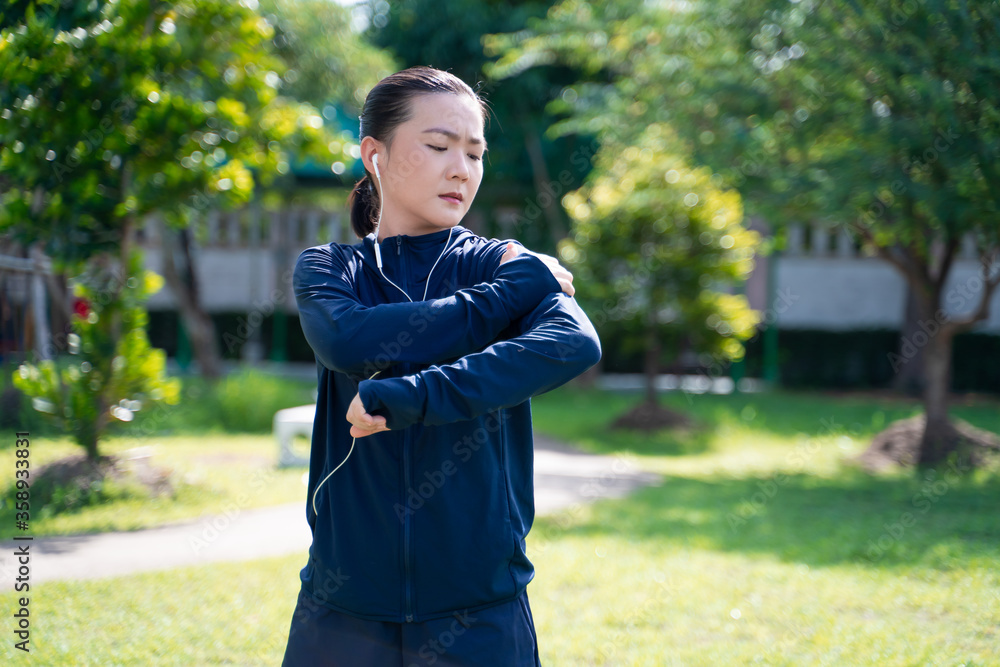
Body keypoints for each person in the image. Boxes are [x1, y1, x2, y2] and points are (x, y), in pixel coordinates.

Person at [281, 65, 601, 666]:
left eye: (475, 153)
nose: (461, 168)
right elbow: (350, 342)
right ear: (374, 155)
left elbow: (573, 344)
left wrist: (415, 396)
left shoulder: (498, 262)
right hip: (343, 608)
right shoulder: (330, 269)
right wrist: (509, 292)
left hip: (479, 608)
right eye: (437, 146)